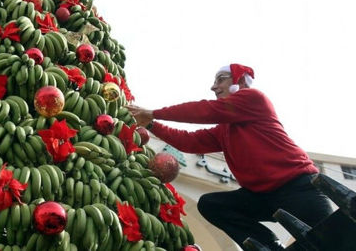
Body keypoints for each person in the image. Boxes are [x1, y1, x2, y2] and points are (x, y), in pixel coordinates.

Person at [128, 63, 333, 251]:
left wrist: (153, 113)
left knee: (334, 241)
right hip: (261, 197)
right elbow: (189, 142)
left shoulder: (253, 98)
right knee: (212, 204)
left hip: (298, 189)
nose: (213, 87)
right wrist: (151, 124)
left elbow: (204, 111)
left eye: (221, 79)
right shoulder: (224, 130)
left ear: (241, 81)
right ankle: (269, 247)